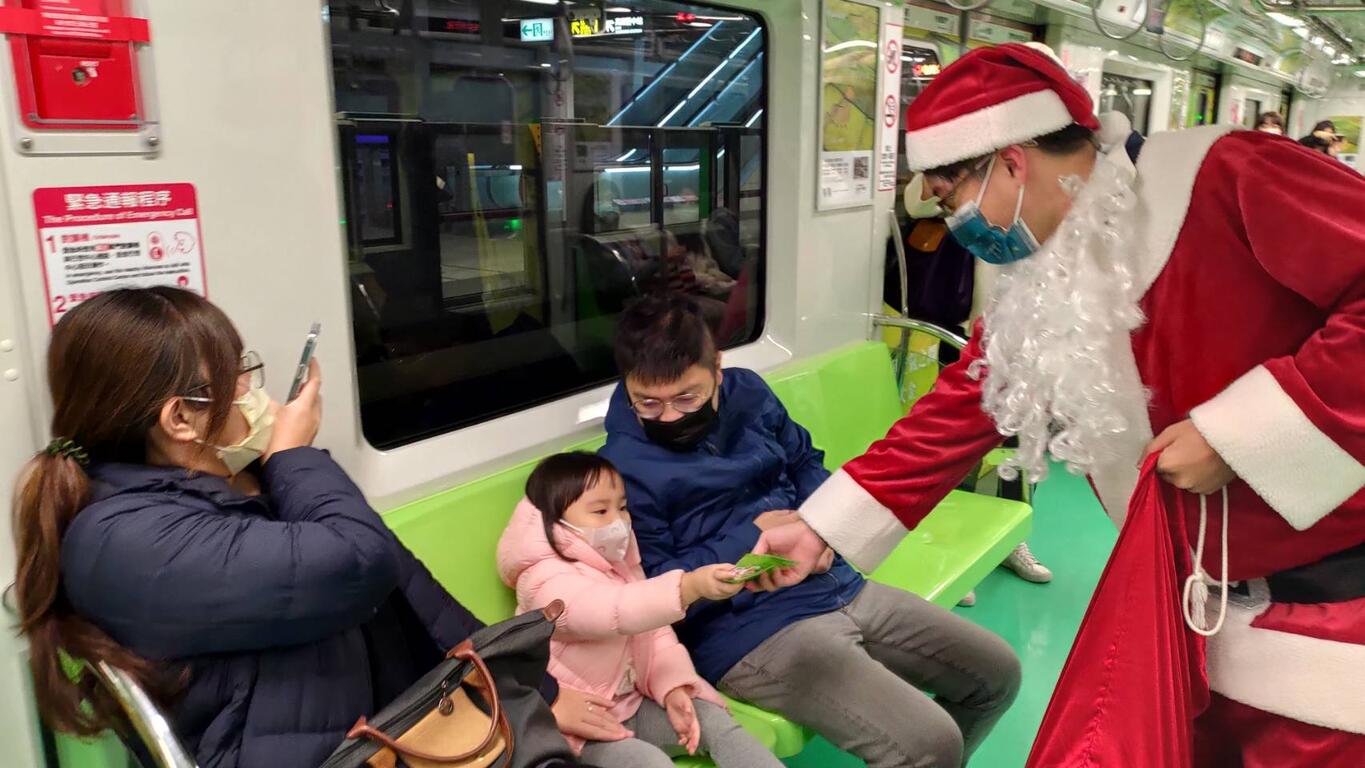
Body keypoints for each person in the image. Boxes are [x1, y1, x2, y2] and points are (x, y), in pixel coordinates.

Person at [753, 43, 1365, 765]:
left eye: (952, 202)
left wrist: (1241, 436)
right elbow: (965, 405)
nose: (959, 228)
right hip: (1193, 604)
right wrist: (819, 527)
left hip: (1331, 611)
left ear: (1011, 163)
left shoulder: (1229, 174)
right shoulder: (1046, 269)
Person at [8, 287, 602, 768]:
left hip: (382, 724)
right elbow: (360, 560)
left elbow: (402, 581)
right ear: (181, 418)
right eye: (237, 374)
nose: (252, 389)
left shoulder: (226, 487)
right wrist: (292, 455)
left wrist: (529, 689)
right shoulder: (128, 542)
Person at [597, 293, 1021, 768]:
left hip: (831, 580)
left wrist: (823, 531)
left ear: (717, 368)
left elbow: (804, 462)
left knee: (997, 675)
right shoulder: (621, 468)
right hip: (747, 630)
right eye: (648, 404)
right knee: (931, 743)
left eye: (686, 398)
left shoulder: (749, 393)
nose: (670, 417)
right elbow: (653, 589)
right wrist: (750, 536)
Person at [497, 452, 782, 768]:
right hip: (578, 728)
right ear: (554, 521)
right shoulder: (544, 580)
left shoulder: (619, 565)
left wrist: (673, 688)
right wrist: (689, 586)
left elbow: (655, 636)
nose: (618, 521)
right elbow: (613, 611)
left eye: (622, 508)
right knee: (647, 761)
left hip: (633, 705)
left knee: (713, 721)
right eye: (600, 511)